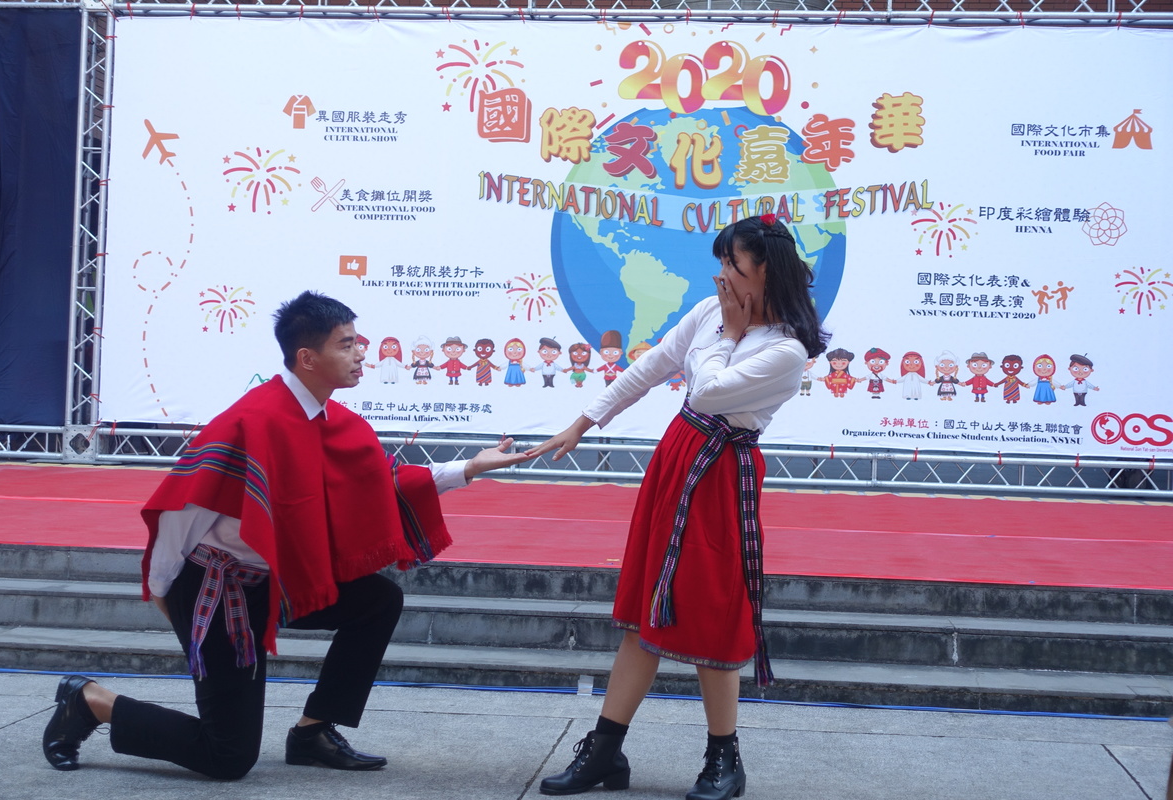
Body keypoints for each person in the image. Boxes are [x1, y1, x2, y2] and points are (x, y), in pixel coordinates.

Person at [41, 292, 532, 780]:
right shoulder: (250, 421)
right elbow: (182, 511)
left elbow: (383, 482)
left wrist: (469, 467)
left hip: (281, 580)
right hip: (217, 588)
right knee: (227, 756)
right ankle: (89, 702)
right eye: (347, 344)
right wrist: (165, 590)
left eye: (358, 341)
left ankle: (313, 730)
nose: (362, 352)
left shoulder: (332, 420)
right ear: (307, 358)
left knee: (377, 600)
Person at [530, 214, 828, 800]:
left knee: (713, 609)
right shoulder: (710, 311)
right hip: (678, 457)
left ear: (766, 272)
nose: (721, 277)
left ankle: (725, 759)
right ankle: (606, 752)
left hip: (722, 475)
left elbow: (709, 392)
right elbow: (652, 366)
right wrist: (583, 423)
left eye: (732, 265)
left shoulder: (786, 350)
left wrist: (731, 335)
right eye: (721, 262)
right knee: (647, 606)